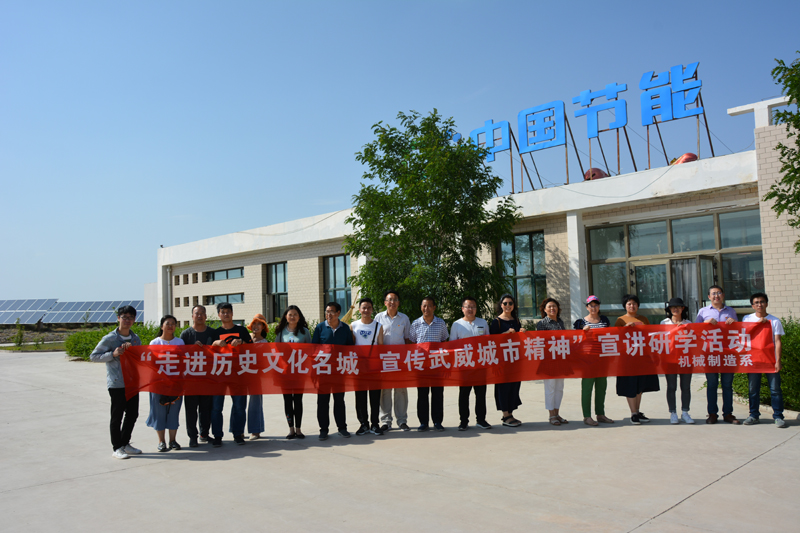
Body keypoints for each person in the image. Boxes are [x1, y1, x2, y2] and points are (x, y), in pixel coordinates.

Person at [89, 305, 142, 459]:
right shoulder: (110, 338)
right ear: (118, 318)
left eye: (131, 318)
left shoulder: (135, 339)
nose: (127, 320)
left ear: (134, 320)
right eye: (124, 317)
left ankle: (125, 443)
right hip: (117, 383)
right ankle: (117, 447)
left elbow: (139, 359)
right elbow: (94, 356)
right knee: (117, 416)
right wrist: (113, 354)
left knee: (132, 414)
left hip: (132, 383)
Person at [695, 285, 740, 425]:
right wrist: (705, 323)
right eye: (713, 293)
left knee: (727, 384)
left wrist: (734, 323)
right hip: (710, 353)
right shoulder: (703, 312)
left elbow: (739, 331)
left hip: (727, 353)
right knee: (712, 384)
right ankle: (712, 413)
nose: (716, 296)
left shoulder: (731, 311)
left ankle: (728, 414)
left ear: (723, 295)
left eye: (719, 293)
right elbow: (695, 331)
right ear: (709, 297)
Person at [209, 302, 252, 447]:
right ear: (219, 315)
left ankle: (238, 434)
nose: (226, 314)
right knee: (216, 408)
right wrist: (214, 344)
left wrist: (242, 342)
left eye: (228, 311)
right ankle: (217, 436)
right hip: (219, 375)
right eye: (223, 312)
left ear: (232, 313)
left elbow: (254, 348)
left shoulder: (241, 330)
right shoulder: (214, 333)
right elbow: (206, 353)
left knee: (239, 407)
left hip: (239, 374)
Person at [743, 292, 786, 428]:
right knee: (753, 389)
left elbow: (777, 342)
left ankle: (778, 416)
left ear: (766, 303)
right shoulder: (747, 319)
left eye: (762, 302)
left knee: (775, 390)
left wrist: (778, 361)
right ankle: (753, 415)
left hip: (770, 361)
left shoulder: (774, 321)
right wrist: (757, 324)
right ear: (752, 305)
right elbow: (743, 336)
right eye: (756, 302)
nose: (759, 304)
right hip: (753, 360)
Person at [312, 301, 355, 441]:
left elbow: (349, 348)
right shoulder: (320, 328)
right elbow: (313, 349)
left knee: (339, 400)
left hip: (339, 371)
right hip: (323, 371)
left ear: (338, 313)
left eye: (331, 311)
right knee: (322, 401)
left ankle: (342, 428)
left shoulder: (345, 329)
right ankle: (323, 429)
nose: (328, 314)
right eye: (327, 311)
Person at [615, 294, 660, 424]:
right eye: (629, 303)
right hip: (627, 358)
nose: (632, 306)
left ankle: (638, 411)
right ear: (625, 306)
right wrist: (625, 328)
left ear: (638, 305)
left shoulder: (644, 319)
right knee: (630, 385)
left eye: (634, 303)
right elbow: (616, 337)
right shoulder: (620, 320)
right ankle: (633, 413)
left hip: (642, 358)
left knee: (640, 386)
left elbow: (649, 335)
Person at [450, 296, 492, 431]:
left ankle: (481, 420)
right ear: (462, 309)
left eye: (473, 307)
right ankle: (463, 421)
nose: (470, 309)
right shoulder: (457, 324)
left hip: (480, 364)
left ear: (476, 309)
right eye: (468, 307)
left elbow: (488, 342)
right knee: (464, 394)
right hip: (464, 365)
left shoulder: (482, 322)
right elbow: (452, 345)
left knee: (480, 394)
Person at [573, 296, 614, 426]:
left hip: (602, 359)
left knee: (601, 388)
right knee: (587, 388)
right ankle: (587, 416)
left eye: (596, 305)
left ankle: (600, 414)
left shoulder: (605, 320)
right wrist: (582, 332)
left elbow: (610, 336)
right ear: (587, 307)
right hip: (587, 360)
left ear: (599, 306)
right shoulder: (580, 322)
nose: (594, 307)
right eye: (591, 305)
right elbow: (575, 341)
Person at [375, 290, 412, 432]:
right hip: (385, 360)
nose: (392, 302)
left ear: (398, 303)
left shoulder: (404, 318)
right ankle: (386, 421)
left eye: (395, 299)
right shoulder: (378, 317)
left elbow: (407, 339)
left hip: (400, 360)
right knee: (385, 390)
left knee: (401, 390)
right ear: (385, 302)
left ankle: (402, 420)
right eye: (389, 300)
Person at [410, 296, 449, 431]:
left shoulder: (441, 323)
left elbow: (444, 341)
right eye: (424, 306)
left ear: (434, 308)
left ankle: (437, 421)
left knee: (437, 393)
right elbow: (412, 343)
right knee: (422, 394)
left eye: (429, 306)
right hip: (421, 364)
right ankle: (423, 422)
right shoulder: (415, 324)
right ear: (421, 307)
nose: (426, 308)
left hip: (437, 363)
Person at [146, 315, 184, 452]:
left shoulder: (180, 342)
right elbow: (150, 363)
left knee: (174, 412)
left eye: (173, 323)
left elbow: (184, 362)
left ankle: (173, 440)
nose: (170, 326)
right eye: (167, 323)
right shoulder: (154, 343)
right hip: (158, 384)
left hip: (176, 383)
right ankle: (161, 441)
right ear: (162, 326)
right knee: (159, 412)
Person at [180, 305, 214, 447]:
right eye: (196, 313)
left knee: (206, 409)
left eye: (202, 313)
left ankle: (204, 434)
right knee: (191, 410)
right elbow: (179, 356)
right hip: (191, 379)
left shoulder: (212, 333)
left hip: (208, 378)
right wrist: (191, 350)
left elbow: (221, 352)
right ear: (192, 316)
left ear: (206, 316)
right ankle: (192, 436)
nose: (199, 316)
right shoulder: (186, 334)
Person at [275, 305, 311, 439]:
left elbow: (310, 350)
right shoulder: (281, 332)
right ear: (286, 316)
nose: (292, 317)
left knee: (298, 400)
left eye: (295, 314)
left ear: (299, 317)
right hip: (285, 373)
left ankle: (298, 429)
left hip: (299, 372)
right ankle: (291, 429)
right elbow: (275, 351)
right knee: (287, 400)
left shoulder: (304, 332)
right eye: (290, 314)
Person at [351, 298, 385, 436]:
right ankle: (363, 424)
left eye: (369, 307)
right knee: (360, 397)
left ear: (372, 310)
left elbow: (381, 347)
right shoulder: (353, 325)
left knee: (375, 396)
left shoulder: (378, 326)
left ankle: (375, 424)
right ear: (359, 310)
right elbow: (351, 347)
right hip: (359, 367)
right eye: (364, 307)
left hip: (374, 367)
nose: (366, 310)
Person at [661, 297, 694, 425]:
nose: (675, 309)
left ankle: (685, 412)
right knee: (671, 386)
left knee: (685, 387)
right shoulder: (664, 323)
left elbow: (695, 340)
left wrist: (685, 329)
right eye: (673, 307)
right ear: (669, 309)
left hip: (685, 358)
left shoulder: (688, 323)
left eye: (678, 307)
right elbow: (660, 340)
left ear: (682, 308)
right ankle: (673, 412)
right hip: (669, 359)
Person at [491, 294, 523, 427]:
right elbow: (491, 341)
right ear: (501, 305)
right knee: (503, 387)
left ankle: (510, 413)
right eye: (505, 303)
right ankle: (505, 415)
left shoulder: (516, 320)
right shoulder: (496, 321)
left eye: (510, 303)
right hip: (501, 360)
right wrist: (505, 334)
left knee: (514, 387)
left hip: (515, 359)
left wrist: (522, 332)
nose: (508, 306)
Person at [537, 298, 568, 426]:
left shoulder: (560, 322)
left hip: (561, 360)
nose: (552, 309)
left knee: (559, 388)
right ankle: (551, 415)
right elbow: (540, 343)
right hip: (549, 361)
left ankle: (557, 413)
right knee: (550, 388)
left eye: (554, 306)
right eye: (549, 307)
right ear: (544, 310)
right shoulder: (542, 323)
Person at [246, 313, 268, 440]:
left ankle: (255, 431)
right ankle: (238, 431)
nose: (256, 326)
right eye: (254, 323)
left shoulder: (264, 343)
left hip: (256, 376)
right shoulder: (245, 338)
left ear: (263, 327)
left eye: (259, 324)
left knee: (255, 402)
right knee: (239, 403)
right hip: (242, 374)